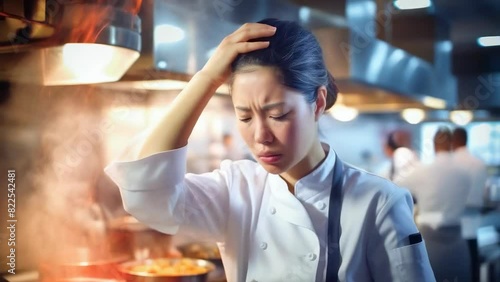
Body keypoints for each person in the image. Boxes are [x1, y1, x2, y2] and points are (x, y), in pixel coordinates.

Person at [104, 19, 435, 281]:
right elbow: (146, 194)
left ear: (318, 103)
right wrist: (207, 77)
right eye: (244, 116)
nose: (260, 136)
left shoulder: (380, 203)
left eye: (278, 114)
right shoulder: (236, 189)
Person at [396, 127, 472, 282]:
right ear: (452, 145)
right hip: (457, 239)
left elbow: (394, 188)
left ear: (434, 145)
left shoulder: (422, 171)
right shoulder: (465, 173)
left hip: (428, 239)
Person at [452, 126, 488, 282]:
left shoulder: (451, 163)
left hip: (452, 227)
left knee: (453, 270)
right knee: (473, 268)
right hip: (473, 225)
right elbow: (484, 192)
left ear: (454, 141)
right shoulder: (479, 163)